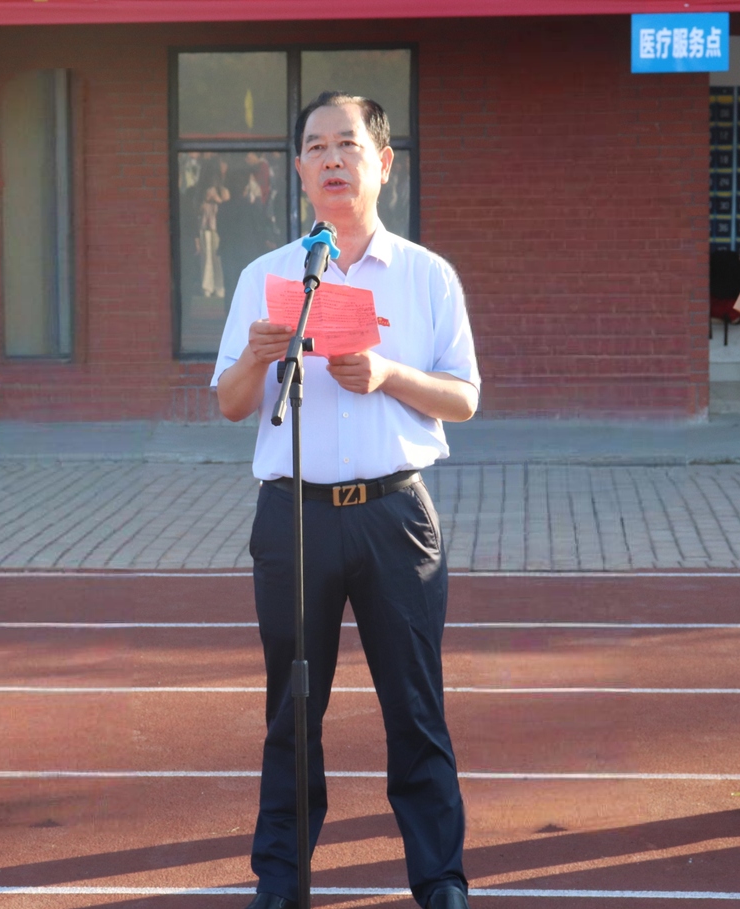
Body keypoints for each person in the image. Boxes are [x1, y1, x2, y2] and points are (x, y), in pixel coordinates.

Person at [211, 91, 480, 909]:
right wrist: (256, 358)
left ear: (382, 161)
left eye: (348, 144)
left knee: (415, 705)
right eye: (316, 147)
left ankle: (439, 878)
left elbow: (464, 397)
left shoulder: (426, 275)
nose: (332, 159)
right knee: (292, 707)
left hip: (395, 516)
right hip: (293, 516)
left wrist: (389, 374)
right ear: (298, 168)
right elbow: (229, 403)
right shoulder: (265, 276)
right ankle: (281, 876)